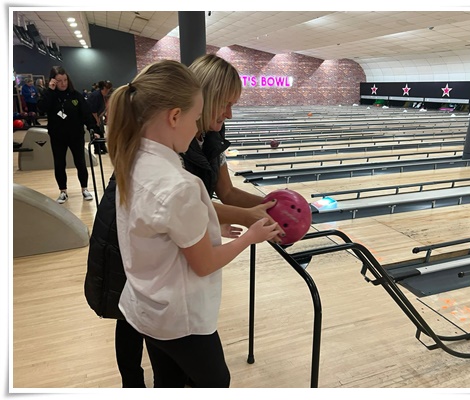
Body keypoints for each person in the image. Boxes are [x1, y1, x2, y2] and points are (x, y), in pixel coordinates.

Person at [85, 54, 285, 388]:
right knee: (215, 381)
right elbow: (202, 258)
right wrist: (249, 235)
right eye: (199, 116)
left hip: (149, 300)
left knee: (168, 377)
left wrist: (218, 226)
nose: (228, 114)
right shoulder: (178, 182)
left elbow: (175, 221)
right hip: (179, 316)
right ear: (177, 115)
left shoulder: (133, 157)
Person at [38, 66, 100, 203]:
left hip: (75, 135)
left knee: (80, 162)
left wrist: (94, 129)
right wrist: (50, 90)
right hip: (57, 136)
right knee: (59, 163)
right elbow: (42, 108)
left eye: (65, 80)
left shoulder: (75, 95)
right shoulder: (50, 95)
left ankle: (84, 188)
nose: (63, 83)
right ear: (53, 81)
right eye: (59, 81)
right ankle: (63, 191)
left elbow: (86, 114)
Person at [87, 80, 112, 154]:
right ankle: (97, 149)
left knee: (100, 132)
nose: (108, 91)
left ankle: (103, 147)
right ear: (103, 88)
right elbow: (93, 111)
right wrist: (97, 121)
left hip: (97, 115)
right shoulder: (96, 95)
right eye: (107, 89)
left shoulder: (102, 95)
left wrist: (102, 116)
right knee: (96, 132)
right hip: (91, 116)